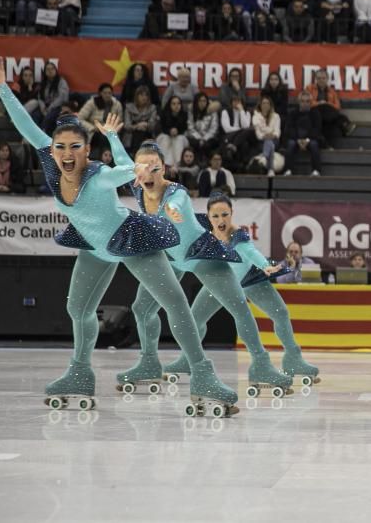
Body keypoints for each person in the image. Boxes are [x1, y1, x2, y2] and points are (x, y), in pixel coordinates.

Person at [0, 51, 237, 416]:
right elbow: (25, 124)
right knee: (77, 307)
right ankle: (80, 374)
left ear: (86, 151)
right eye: (60, 147)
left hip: (131, 240)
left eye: (75, 147)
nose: (66, 154)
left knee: (175, 302)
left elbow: (128, 170)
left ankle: (203, 375)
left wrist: (138, 165)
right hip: (94, 246)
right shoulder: (50, 162)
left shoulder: (101, 175)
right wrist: (2, 87)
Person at [106, 138, 293, 396]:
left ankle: (260, 364)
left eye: (155, 167)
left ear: (164, 168)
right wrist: (112, 135)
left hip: (200, 253)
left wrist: (170, 210)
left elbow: (179, 203)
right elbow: (123, 160)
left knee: (238, 305)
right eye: (142, 167)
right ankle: (149, 362)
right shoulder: (138, 186)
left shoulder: (176, 192)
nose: (148, 172)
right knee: (141, 308)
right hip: (171, 258)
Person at [189, 195, 320, 385]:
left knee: (281, 312)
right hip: (221, 281)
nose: (220, 220)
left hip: (249, 277)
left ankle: (293, 359)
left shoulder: (238, 235)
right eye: (215, 216)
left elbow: (250, 251)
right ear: (208, 216)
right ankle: (189, 359)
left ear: (232, 213)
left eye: (225, 214)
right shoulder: (202, 230)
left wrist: (265, 265)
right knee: (194, 320)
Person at [306, 69, 356, 148]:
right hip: (314, 113)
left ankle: (328, 146)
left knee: (327, 111)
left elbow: (337, 106)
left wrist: (326, 103)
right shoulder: (309, 88)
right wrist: (319, 103)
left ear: (327, 79)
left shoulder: (332, 91)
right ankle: (344, 123)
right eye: (319, 78)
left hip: (328, 115)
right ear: (315, 79)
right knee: (326, 111)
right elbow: (306, 102)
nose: (321, 80)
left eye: (323, 78)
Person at [284, 91, 323, 176]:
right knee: (290, 144)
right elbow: (289, 129)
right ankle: (288, 170)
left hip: (310, 138)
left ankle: (316, 170)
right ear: (299, 102)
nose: (305, 103)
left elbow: (317, 129)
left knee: (314, 145)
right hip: (296, 138)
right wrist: (298, 140)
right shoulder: (293, 113)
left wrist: (307, 140)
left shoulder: (315, 113)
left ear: (310, 102)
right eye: (302, 101)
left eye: (307, 101)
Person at [253, 95, 281, 177]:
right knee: (270, 145)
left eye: (267, 103)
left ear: (270, 105)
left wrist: (270, 134)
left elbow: (277, 132)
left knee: (270, 142)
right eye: (263, 103)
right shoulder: (256, 117)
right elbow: (258, 134)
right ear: (260, 105)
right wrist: (266, 135)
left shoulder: (276, 116)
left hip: (274, 140)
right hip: (261, 141)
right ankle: (271, 170)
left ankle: (264, 157)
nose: (265, 105)